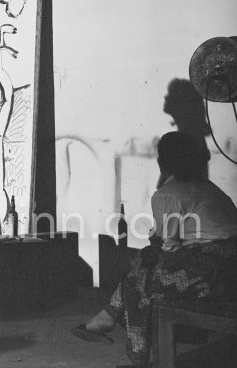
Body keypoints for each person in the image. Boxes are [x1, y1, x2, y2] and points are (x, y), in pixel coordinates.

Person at [72, 131, 237, 366]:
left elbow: (169, 247)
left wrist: (155, 244)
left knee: (140, 281)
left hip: (212, 270)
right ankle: (106, 318)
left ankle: (135, 352)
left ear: (162, 163)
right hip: (231, 266)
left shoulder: (167, 194)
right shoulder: (209, 188)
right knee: (143, 266)